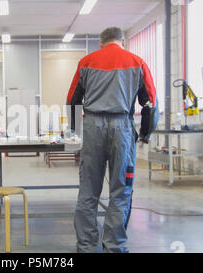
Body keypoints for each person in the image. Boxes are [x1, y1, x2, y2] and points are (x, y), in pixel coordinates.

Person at [67, 27, 159, 253]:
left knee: (88, 191)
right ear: (123, 42)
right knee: (121, 191)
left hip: (92, 126)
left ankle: (86, 247)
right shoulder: (137, 61)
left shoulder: (87, 61)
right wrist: (145, 133)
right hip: (122, 127)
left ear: (101, 43)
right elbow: (150, 103)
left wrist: (77, 131)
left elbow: (72, 100)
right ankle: (114, 247)